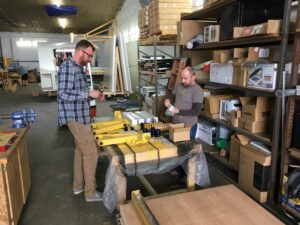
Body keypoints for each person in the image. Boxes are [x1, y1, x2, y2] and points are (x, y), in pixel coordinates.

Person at [57, 39, 105, 202]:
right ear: (80, 52)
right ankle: (90, 193)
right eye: (89, 56)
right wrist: (87, 94)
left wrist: (94, 93)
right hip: (75, 118)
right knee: (91, 154)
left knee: (80, 152)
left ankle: (78, 187)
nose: (90, 59)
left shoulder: (79, 68)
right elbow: (63, 94)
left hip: (82, 115)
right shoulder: (68, 67)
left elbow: (79, 91)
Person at [164, 66, 204, 139]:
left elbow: (196, 111)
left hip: (188, 127)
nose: (183, 81)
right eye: (182, 78)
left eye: (185, 78)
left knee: (187, 148)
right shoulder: (179, 85)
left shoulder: (197, 91)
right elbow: (172, 95)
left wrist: (178, 111)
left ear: (193, 77)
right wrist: (168, 99)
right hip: (176, 124)